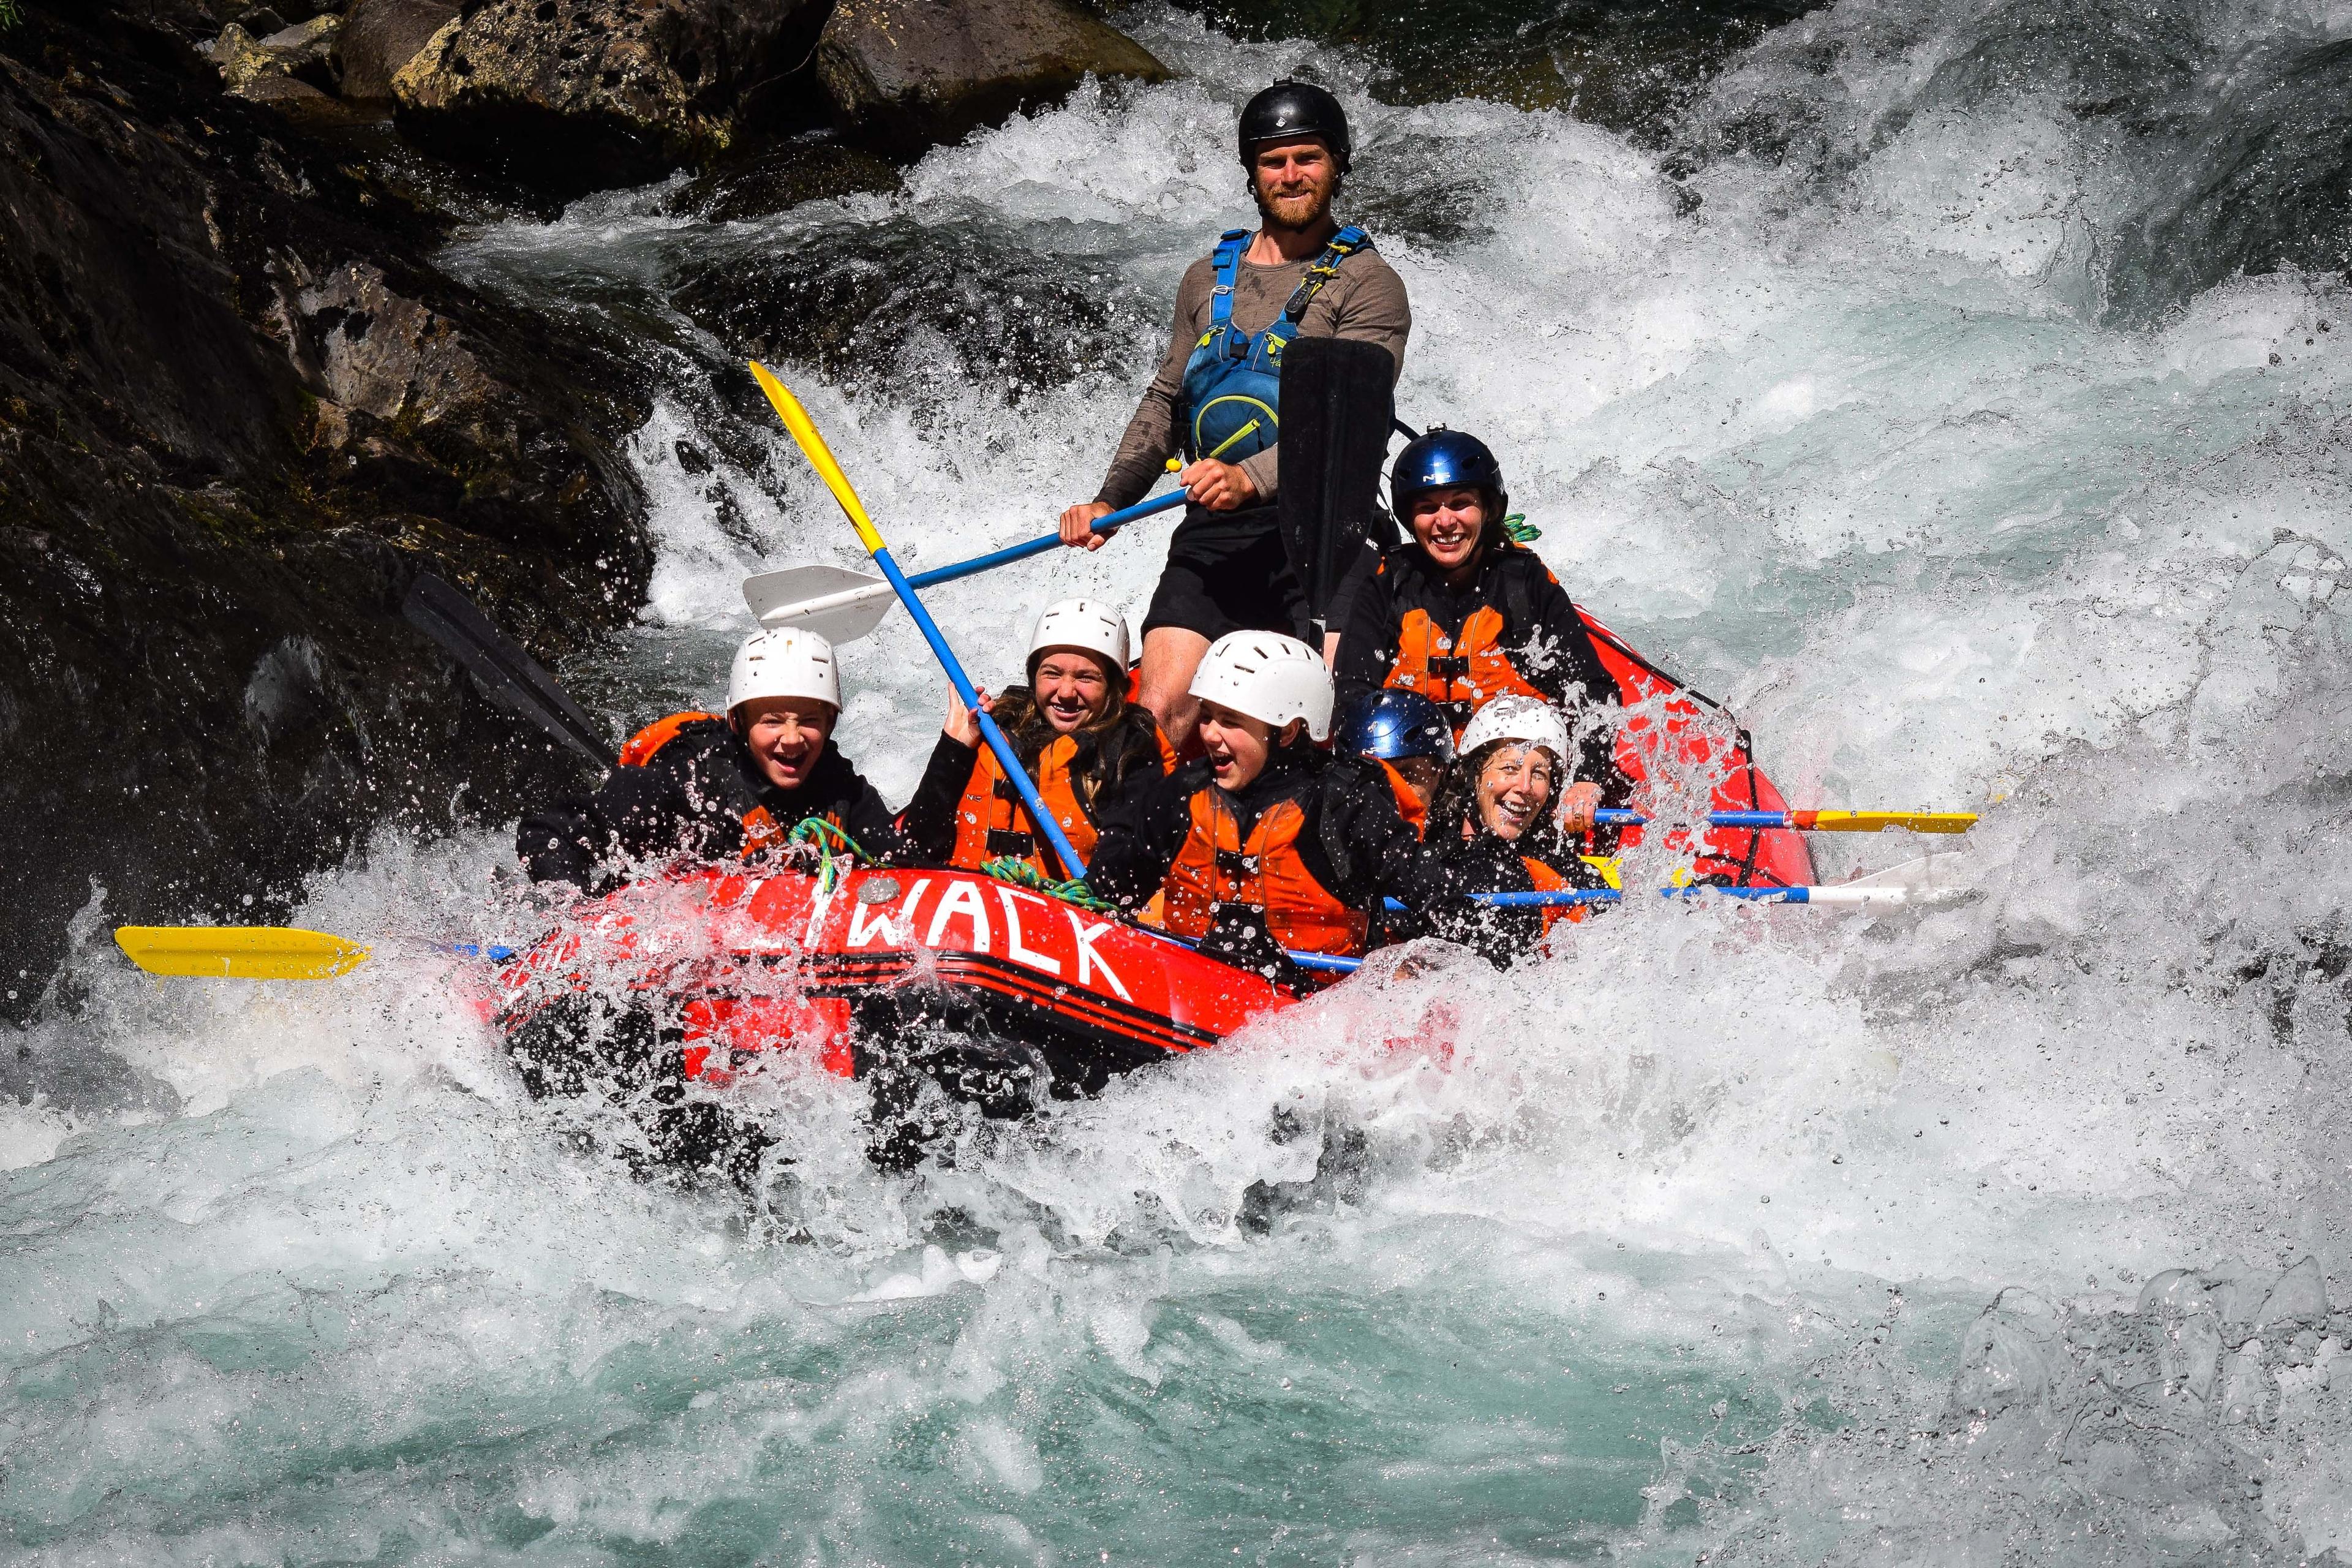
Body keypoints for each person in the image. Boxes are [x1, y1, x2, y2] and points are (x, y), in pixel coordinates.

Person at [1057, 80, 1412, 749]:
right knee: (1160, 716)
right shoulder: (1205, 279)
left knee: (1321, 725)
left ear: (1336, 164)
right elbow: (1167, 399)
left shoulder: (1369, 284)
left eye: (1306, 158)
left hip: (1325, 532)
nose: (1291, 175)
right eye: (1273, 162)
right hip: (1215, 532)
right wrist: (1109, 498)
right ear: (1252, 173)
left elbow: (1352, 420)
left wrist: (1250, 477)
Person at [1081, 631, 1457, 979]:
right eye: (1207, 716)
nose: (1211, 734)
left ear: (1288, 730)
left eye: (1230, 721)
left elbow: (1436, 900)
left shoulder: (1346, 803)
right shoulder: (1183, 793)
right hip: (1186, 984)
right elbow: (1108, 893)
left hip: (1313, 1006)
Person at [1333, 428, 1624, 833]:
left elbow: (1595, 692)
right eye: (1428, 507)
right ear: (1409, 517)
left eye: (1460, 504)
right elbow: (1353, 700)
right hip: (1421, 791)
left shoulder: (1525, 585)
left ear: (1486, 508)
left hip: (1514, 798)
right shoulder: (1387, 587)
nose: (1445, 522)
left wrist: (1588, 777)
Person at [518, 626, 907, 891]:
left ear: (831, 722)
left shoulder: (837, 784)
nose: (792, 740)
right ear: (739, 722)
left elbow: (910, 858)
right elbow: (546, 832)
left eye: (809, 722)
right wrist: (585, 915)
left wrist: (955, 747)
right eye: (772, 722)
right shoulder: (690, 781)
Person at [897, 598, 1174, 878]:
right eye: (1052, 674)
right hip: (970, 895)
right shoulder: (995, 726)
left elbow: (1122, 877)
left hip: (1064, 908)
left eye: (1086, 678)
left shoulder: (1130, 752)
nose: (1066, 692)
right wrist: (953, 750)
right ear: (1034, 677)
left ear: (1115, 688)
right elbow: (917, 847)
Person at [1425, 696, 1614, 963]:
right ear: (1474, 775)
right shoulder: (1428, 843)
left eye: (1539, 774)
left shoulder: (1559, 869)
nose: (1525, 787)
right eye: (1510, 768)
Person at [1330, 687, 1455, 836]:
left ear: (1442, 779)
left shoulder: (1460, 855)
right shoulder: (1316, 848)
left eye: (1406, 778)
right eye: (1369, 780)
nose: (1390, 794)